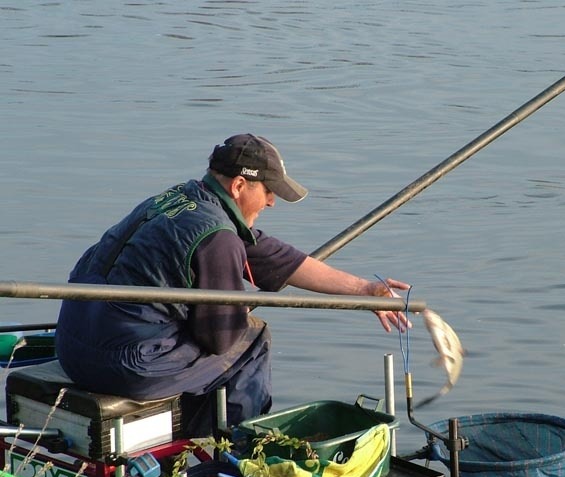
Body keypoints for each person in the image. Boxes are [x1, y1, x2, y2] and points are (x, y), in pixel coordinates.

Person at [55, 133, 410, 436]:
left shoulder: (180, 199)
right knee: (251, 340)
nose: (272, 201)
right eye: (268, 191)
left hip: (72, 344)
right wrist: (236, 311)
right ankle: (240, 461)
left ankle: (189, 448)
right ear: (239, 185)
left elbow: (277, 258)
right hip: (126, 363)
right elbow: (219, 339)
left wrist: (365, 290)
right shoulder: (219, 237)